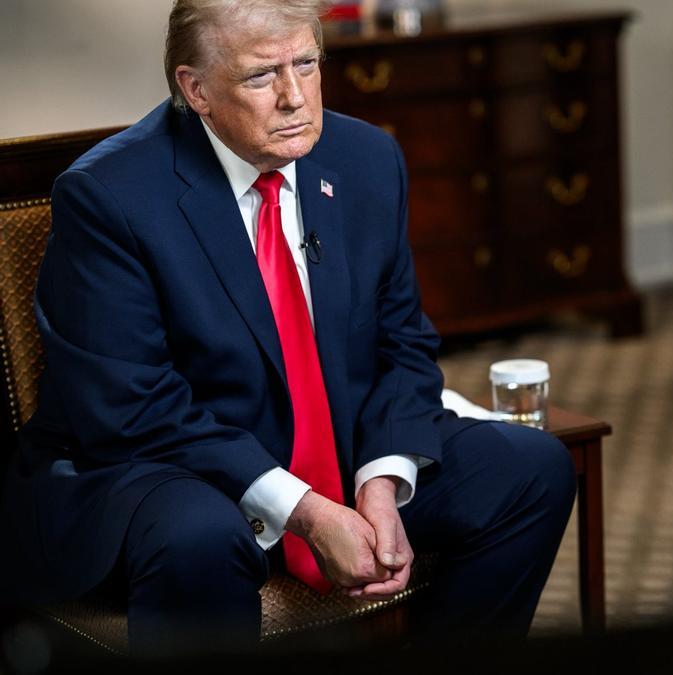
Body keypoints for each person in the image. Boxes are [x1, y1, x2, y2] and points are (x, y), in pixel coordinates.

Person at [0, 0, 576, 657]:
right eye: (261, 76)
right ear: (196, 90)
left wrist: (380, 483)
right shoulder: (110, 196)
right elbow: (132, 407)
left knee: (532, 469)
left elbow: (403, 342)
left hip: (333, 441)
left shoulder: (366, 160)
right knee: (200, 535)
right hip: (166, 465)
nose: (294, 97)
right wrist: (304, 508)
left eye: (306, 64)